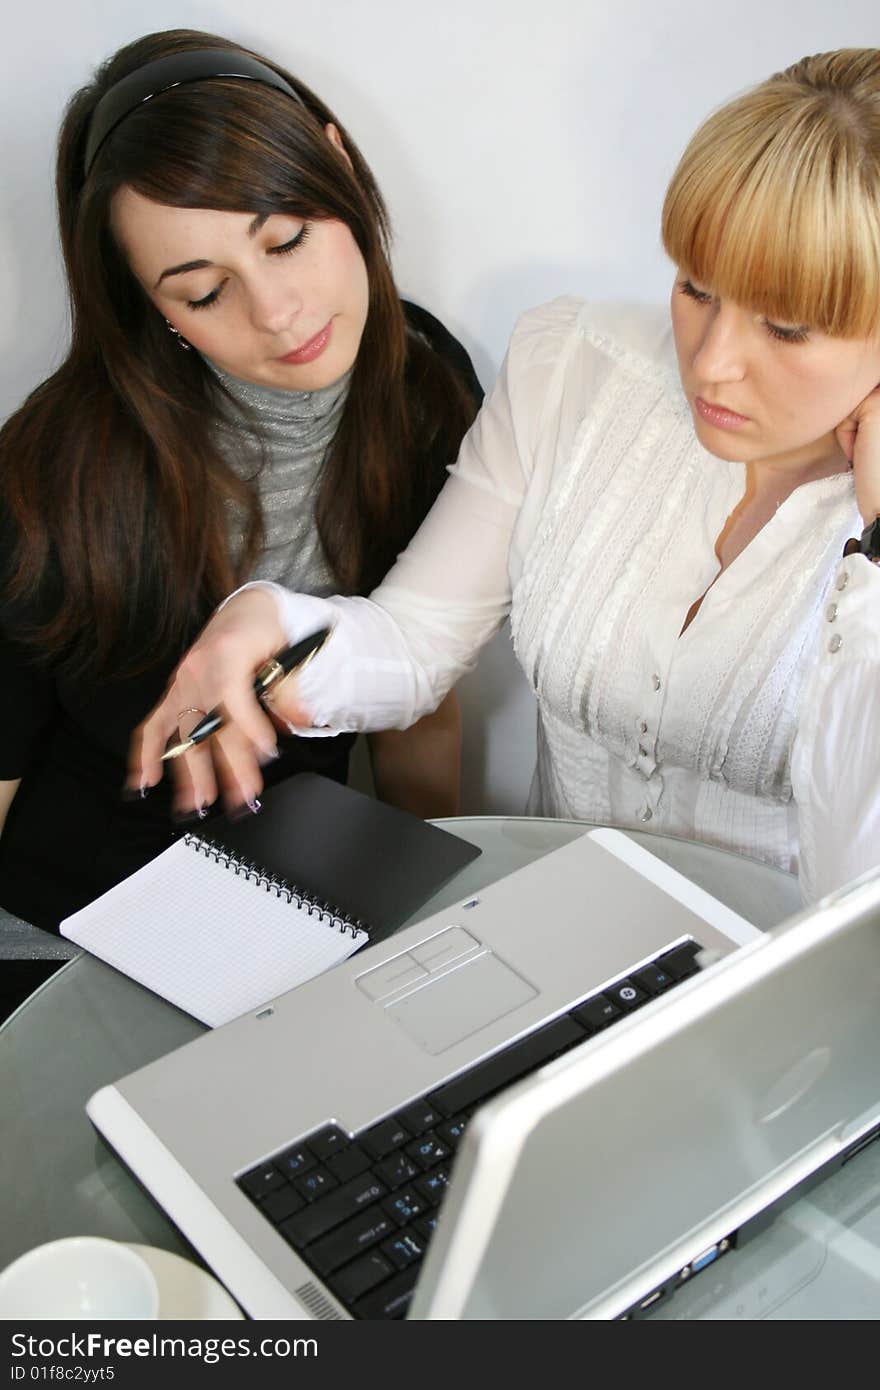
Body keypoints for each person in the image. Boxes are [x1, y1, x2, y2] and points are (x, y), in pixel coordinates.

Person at [134, 48, 880, 905]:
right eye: (696, 288)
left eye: (785, 329)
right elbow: (416, 639)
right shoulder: (573, 364)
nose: (711, 365)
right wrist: (264, 619)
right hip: (551, 949)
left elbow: (859, 894)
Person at [0, 29, 482, 932]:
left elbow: (419, 681)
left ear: (336, 162)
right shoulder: (53, 470)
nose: (278, 311)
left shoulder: (426, 387)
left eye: (289, 238)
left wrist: (438, 909)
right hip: (65, 932)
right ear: (151, 307)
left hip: (300, 908)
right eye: (203, 292)